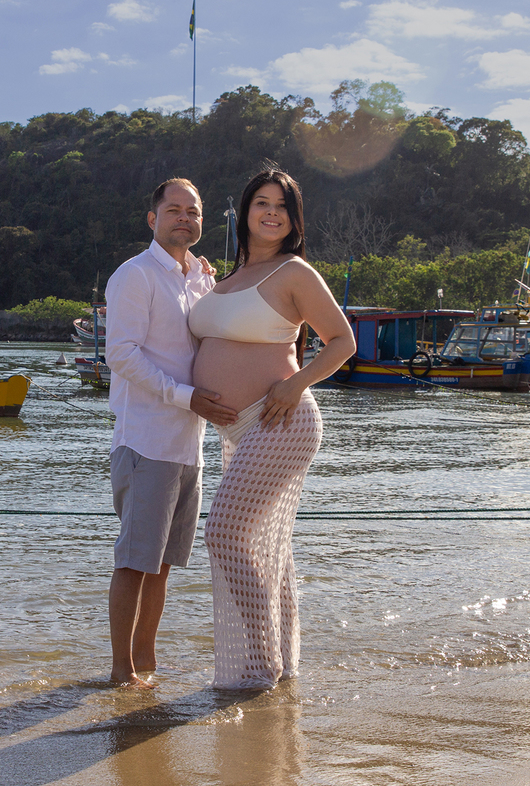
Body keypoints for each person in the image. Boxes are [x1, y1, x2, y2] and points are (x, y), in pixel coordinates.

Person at [188, 167, 356, 689]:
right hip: (237, 430)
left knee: (224, 533)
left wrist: (296, 384)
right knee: (267, 547)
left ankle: (259, 661)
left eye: (281, 206)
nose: (271, 212)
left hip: (281, 418)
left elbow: (342, 343)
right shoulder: (224, 278)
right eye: (261, 202)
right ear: (244, 213)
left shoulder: (294, 273)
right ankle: (278, 665)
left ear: (292, 218)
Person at [104, 178, 238, 688]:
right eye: (174, 210)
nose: (184, 218)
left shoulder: (198, 278)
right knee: (136, 561)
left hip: (190, 444)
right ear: (152, 218)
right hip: (147, 440)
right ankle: (120, 672)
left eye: (193, 211)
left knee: (162, 564)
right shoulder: (134, 276)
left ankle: (146, 663)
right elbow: (122, 354)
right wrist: (185, 397)